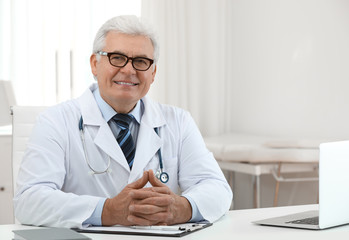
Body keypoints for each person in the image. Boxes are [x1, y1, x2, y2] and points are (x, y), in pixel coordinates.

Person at [13, 15, 232, 228]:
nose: (129, 70)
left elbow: (218, 189)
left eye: (141, 61)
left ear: (153, 72)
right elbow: (28, 201)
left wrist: (183, 207)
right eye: (117, 57)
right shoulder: (55, 122)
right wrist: (107, 210)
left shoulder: (178, 122)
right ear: (94, 64)